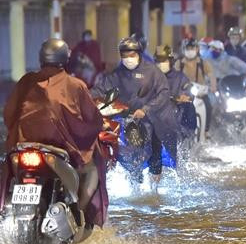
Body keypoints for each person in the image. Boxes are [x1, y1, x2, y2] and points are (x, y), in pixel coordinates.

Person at [3, 38, 108, 228]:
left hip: (23, 144)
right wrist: (95, 127)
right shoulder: (75, 85)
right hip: (59, 146)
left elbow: (9, 113)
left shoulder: (26, 81)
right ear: (65, 58)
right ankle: (79, 211)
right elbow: (92, 120)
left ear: (41, 57)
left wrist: (15, 132)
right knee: (91, 168)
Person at [91, 37, 178, 188]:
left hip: (152, 118)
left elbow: (163, 93)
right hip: (127, 119)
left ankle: (154, 191)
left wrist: (146, 109)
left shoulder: (152, 72)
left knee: (155, 152)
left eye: (132, 55)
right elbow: (99, 90)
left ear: (139, 54)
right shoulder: (117, 74)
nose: (128, 59)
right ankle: (134, 184)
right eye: (124, 56)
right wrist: (85, 97)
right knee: (126, 151)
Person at [155, 45, 196, 139]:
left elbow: (188, 90)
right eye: (158, 61)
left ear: (171, 61)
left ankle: (187, 138)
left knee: (190, 107)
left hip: (175, 113)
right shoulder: (151, 77)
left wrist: (184, 97)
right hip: (154, 113)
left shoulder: (180, 77)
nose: (161, 64)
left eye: (164, 61)